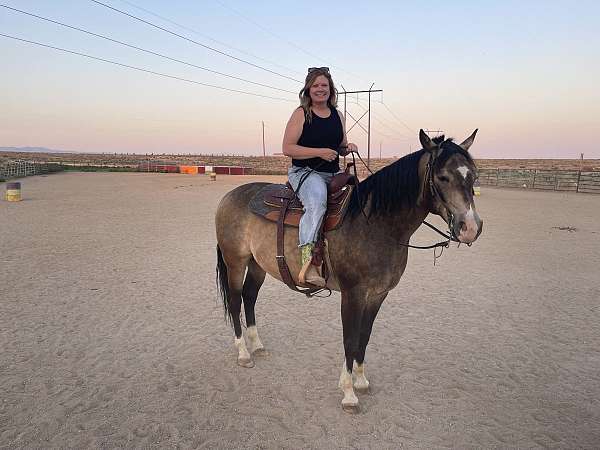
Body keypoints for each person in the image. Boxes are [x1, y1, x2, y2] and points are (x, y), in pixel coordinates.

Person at [282, 67, 358, 287]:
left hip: (332, 173)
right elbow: (287, 148)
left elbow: (340, 146)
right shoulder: (301, 114)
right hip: (305, 172)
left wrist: (347, 147)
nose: (320, 89)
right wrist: (319, 152)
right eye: (315, 85)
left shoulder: (338, 115)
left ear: (330, 89)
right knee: (317, 203)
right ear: (308, 89)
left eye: (324, 85)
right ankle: (308, 263)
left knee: (360, 198)